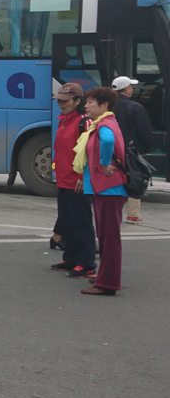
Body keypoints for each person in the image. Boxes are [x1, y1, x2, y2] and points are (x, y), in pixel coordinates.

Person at [75, 87, 128, 296]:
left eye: (90, 102)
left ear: (104, 105)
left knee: (109, 237)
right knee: (105, 237)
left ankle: (108, 283)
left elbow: (107, 141)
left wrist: (105, 163)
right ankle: (106, 275)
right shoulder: (105, 123)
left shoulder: (105, 125)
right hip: (105, 188)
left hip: (109, 188)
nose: (86, 106)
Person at [49, 83, 97, 279]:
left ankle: (86, 263)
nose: (61, 104)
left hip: (76, 181)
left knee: (81, 223)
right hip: (63, 179)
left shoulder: (83, 122)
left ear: (78, 101)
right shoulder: (63, 121)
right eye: (59, 100)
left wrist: (82, 177)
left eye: (65, 101)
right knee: (67, 222)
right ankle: (70, 258)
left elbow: (88, 152)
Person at [111, 76, 152, 224]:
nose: (132, 89)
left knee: (114, 179)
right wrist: (144, 149)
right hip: (131, 150)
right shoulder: (136, 107)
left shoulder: (108, 106)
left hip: (112, 149)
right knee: (134, 178)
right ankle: (133, 214)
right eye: (131, 87)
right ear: (126, 88)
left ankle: (113, 210)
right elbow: (144, 131)